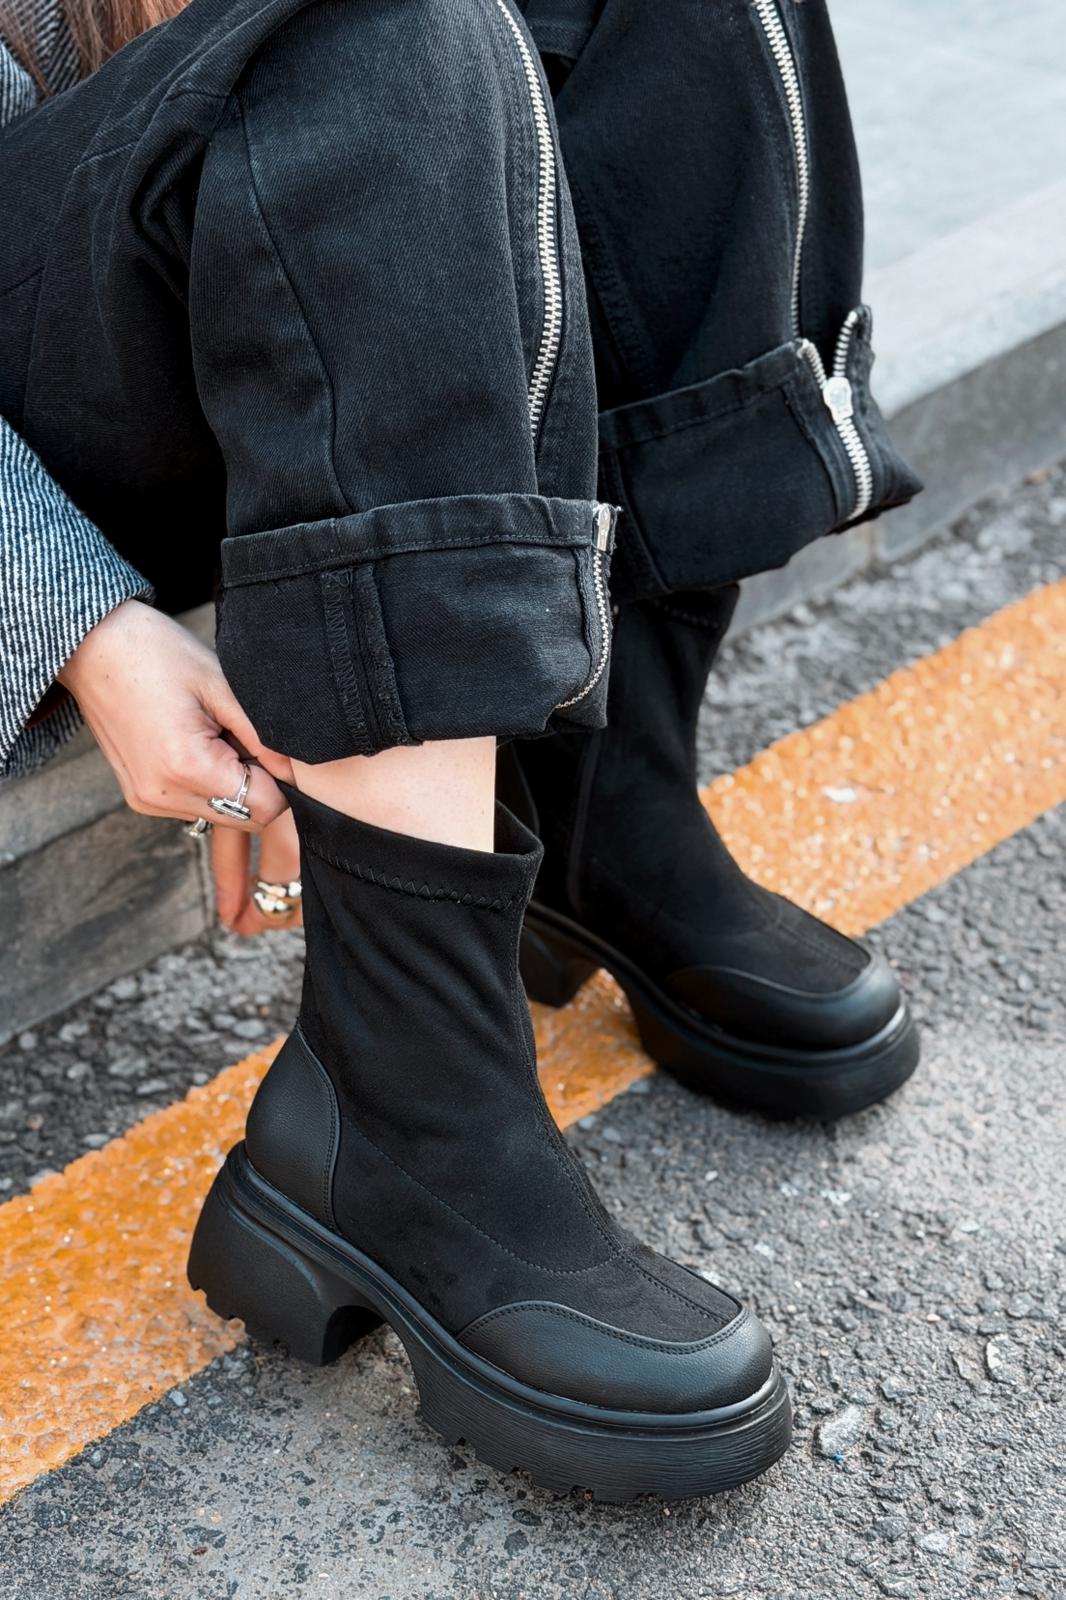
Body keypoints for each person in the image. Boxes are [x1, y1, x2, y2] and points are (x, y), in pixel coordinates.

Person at [0, 0, 921, 1501]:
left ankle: (600, 801)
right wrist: (76, 619)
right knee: (373, 36)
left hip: (163, 284)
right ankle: (402, 1092)